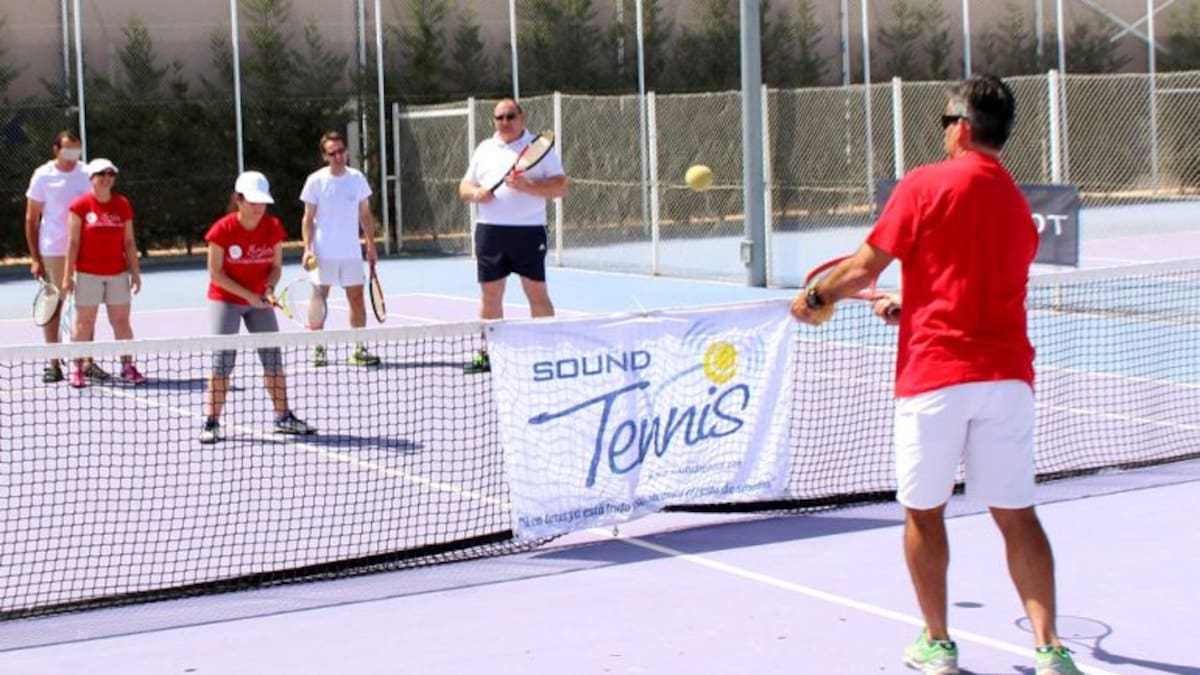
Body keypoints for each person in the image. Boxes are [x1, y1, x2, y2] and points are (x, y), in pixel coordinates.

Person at [790, 75, 1080, 675]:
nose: (945, 132)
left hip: (935, 379)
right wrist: (912, 306)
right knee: (1018, 515)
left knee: (925, 514)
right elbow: (975, 286)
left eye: (948, 122)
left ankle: (938, 642)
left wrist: (816, 297)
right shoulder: (1019, 209)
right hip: (1006, 380)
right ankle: (1050, 649)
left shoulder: (923, 184)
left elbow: (862, 267)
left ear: (964, 129)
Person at [201, 171, 316, 444]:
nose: (258, 207)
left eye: (262, 201)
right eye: (252, 201)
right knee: (223, 360)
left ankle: (283, 417)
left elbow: (275, 267)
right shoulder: (222, 230)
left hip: (260, 300)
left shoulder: (272, 227)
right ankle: (211, 422)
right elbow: (215, 273)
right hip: (226, 299)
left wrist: (269, 289)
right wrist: (248, 296)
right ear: (238, 200)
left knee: (273, 359)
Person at [457, 98, 568, 374]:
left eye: (510, 116)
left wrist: (527, 185)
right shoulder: (485, 148)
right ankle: (488, 353)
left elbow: (561, 187)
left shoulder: (538, 147)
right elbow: (464, 186)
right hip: (490, 232)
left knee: (536, 293)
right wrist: (475, 193)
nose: (505, 122)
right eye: (500, 118)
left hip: (529, 233)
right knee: (490, 296)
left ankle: (546, 352)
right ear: (494, 121)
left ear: (521, 117)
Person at [61, 158, 147, 389]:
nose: (107, 178)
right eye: (102, 174)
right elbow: (73, 243)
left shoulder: (122, 204)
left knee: (121, 321)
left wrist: (135, 272)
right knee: (84, 323)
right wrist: (67, 276)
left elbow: (129, 242)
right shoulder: (80, 206)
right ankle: (77, 368)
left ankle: (127, 366)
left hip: (117, 274)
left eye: (111, 174)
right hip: (87, 274)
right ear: (91, 178)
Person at [299, 131, 381, 367]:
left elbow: (365, 214)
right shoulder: (315, 181)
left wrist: (370, 244)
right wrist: (307, 248)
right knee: (319, 298)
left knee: (357, 299)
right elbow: (308, 218)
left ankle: (358, 348)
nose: (338, 156)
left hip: (351, 253)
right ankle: (318, 348)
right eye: (332, 152)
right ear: (324, 156)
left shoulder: (357, 178)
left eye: (341, 151)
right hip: (323, 253)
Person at [25, 130, 91, 383]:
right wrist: (35, 258)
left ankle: (86, 361)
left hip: (85, 250)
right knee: (53, 306)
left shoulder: (87, 173)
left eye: (76, 150)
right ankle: (54, 362)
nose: (73, 155)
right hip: (53, 250)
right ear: (56, 150)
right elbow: (31, 219)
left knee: (86, 307)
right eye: (68, 150)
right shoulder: (43, 176)